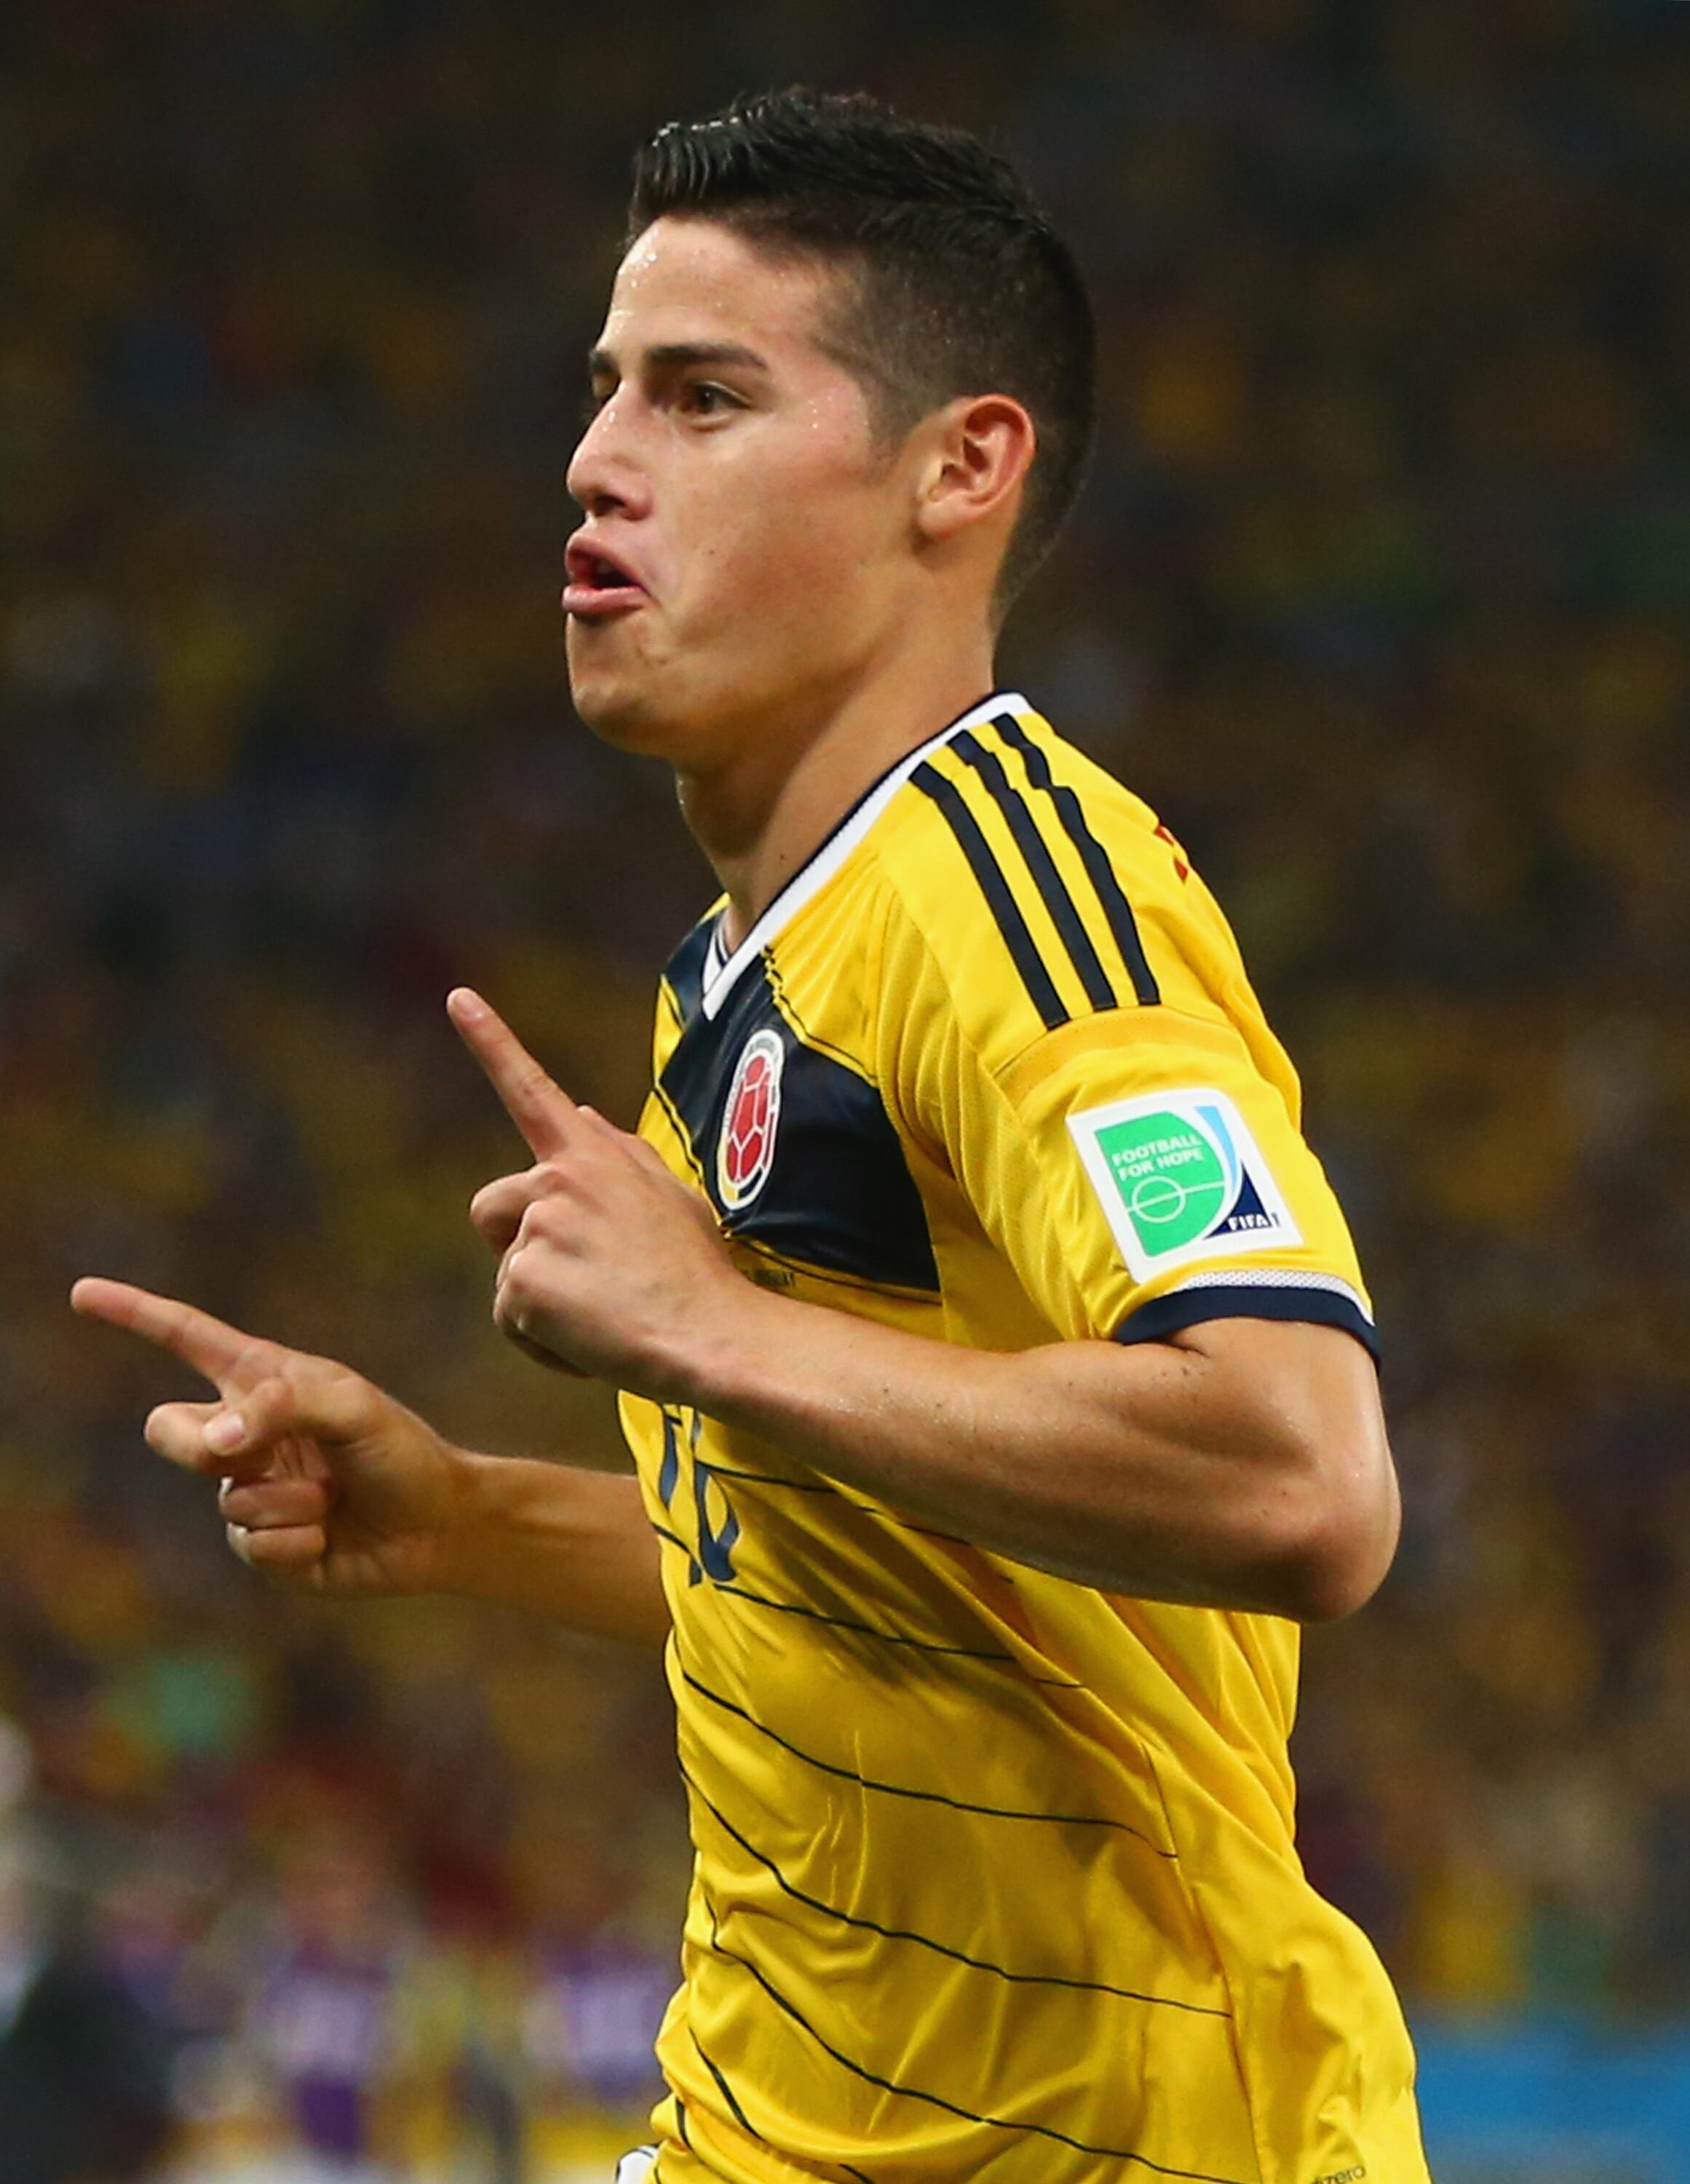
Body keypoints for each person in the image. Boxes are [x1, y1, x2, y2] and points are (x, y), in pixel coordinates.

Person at [74, 88, 1429, 2184]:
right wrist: (465, 1518)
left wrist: (711, 1329)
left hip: (1119, 2143)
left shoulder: (1022, 899)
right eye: (605, 388)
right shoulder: (740, 971)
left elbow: (1297, 1477)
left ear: (959, 468)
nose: (596, 459)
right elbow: (872, 1574)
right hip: (774, 2128)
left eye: (703, 399)